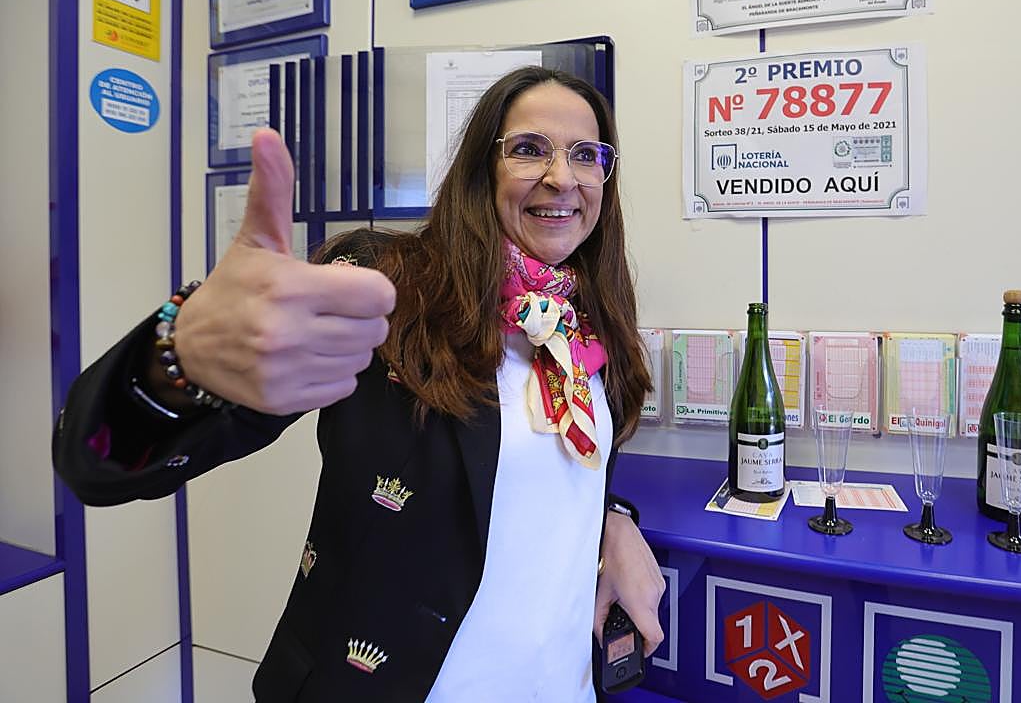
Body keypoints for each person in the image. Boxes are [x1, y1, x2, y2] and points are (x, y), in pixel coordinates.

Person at [54, 66, 666, 702]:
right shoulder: (389, 289)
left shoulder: (591, 322)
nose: (561, 177)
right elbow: (102, 466)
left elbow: (550, 477)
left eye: (585, 156)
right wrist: (179, 357)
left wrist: (612, 520)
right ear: (481, 168)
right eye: (528, 149)